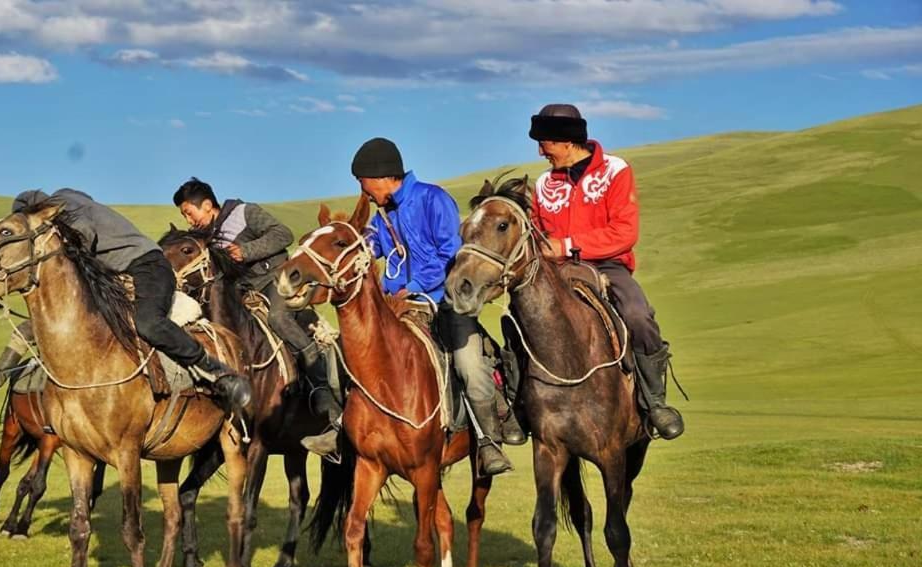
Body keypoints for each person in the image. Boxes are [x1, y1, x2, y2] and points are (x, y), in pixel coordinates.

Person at [303, 137, 523, 474]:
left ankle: (488, 440)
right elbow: (371, 246)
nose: (363, 190)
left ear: (380, 177)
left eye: (363, 183)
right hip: (396, 308)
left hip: (441, 303)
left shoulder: (434, 199)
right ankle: (340, 429)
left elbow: (451, 253)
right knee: (341, 353)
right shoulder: (382, 217)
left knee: (469, 365)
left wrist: (414, 288)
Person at [0, 188, 251, 411]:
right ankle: (0, 374)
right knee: (41, 324)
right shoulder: (66, 207)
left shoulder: (66, 206)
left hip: (148, 266)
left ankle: (218, 373)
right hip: (115, 275)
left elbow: (84, 234)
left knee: (149, 323)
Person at [528, 104, 684, 439]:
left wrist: (566, 245)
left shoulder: (615, 170)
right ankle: (517, 406)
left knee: (638, 315)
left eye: (545, 143)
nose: (540, 151)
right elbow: (537, 231)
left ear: (567, 141)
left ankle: (654, 401)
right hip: (557, 273)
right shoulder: (543, 184)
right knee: (519, 319)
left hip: (607, 265)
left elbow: (624, 233)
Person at [172, 177, 343, 434]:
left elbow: (283, 234)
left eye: (189, 212)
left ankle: (320, 387)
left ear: (207, 205)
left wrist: (246, 251)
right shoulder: (205, 239)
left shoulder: (244, 212)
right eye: (184, 216)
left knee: (278, 318)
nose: (189, 220)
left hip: (275, 282)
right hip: (244, 297)